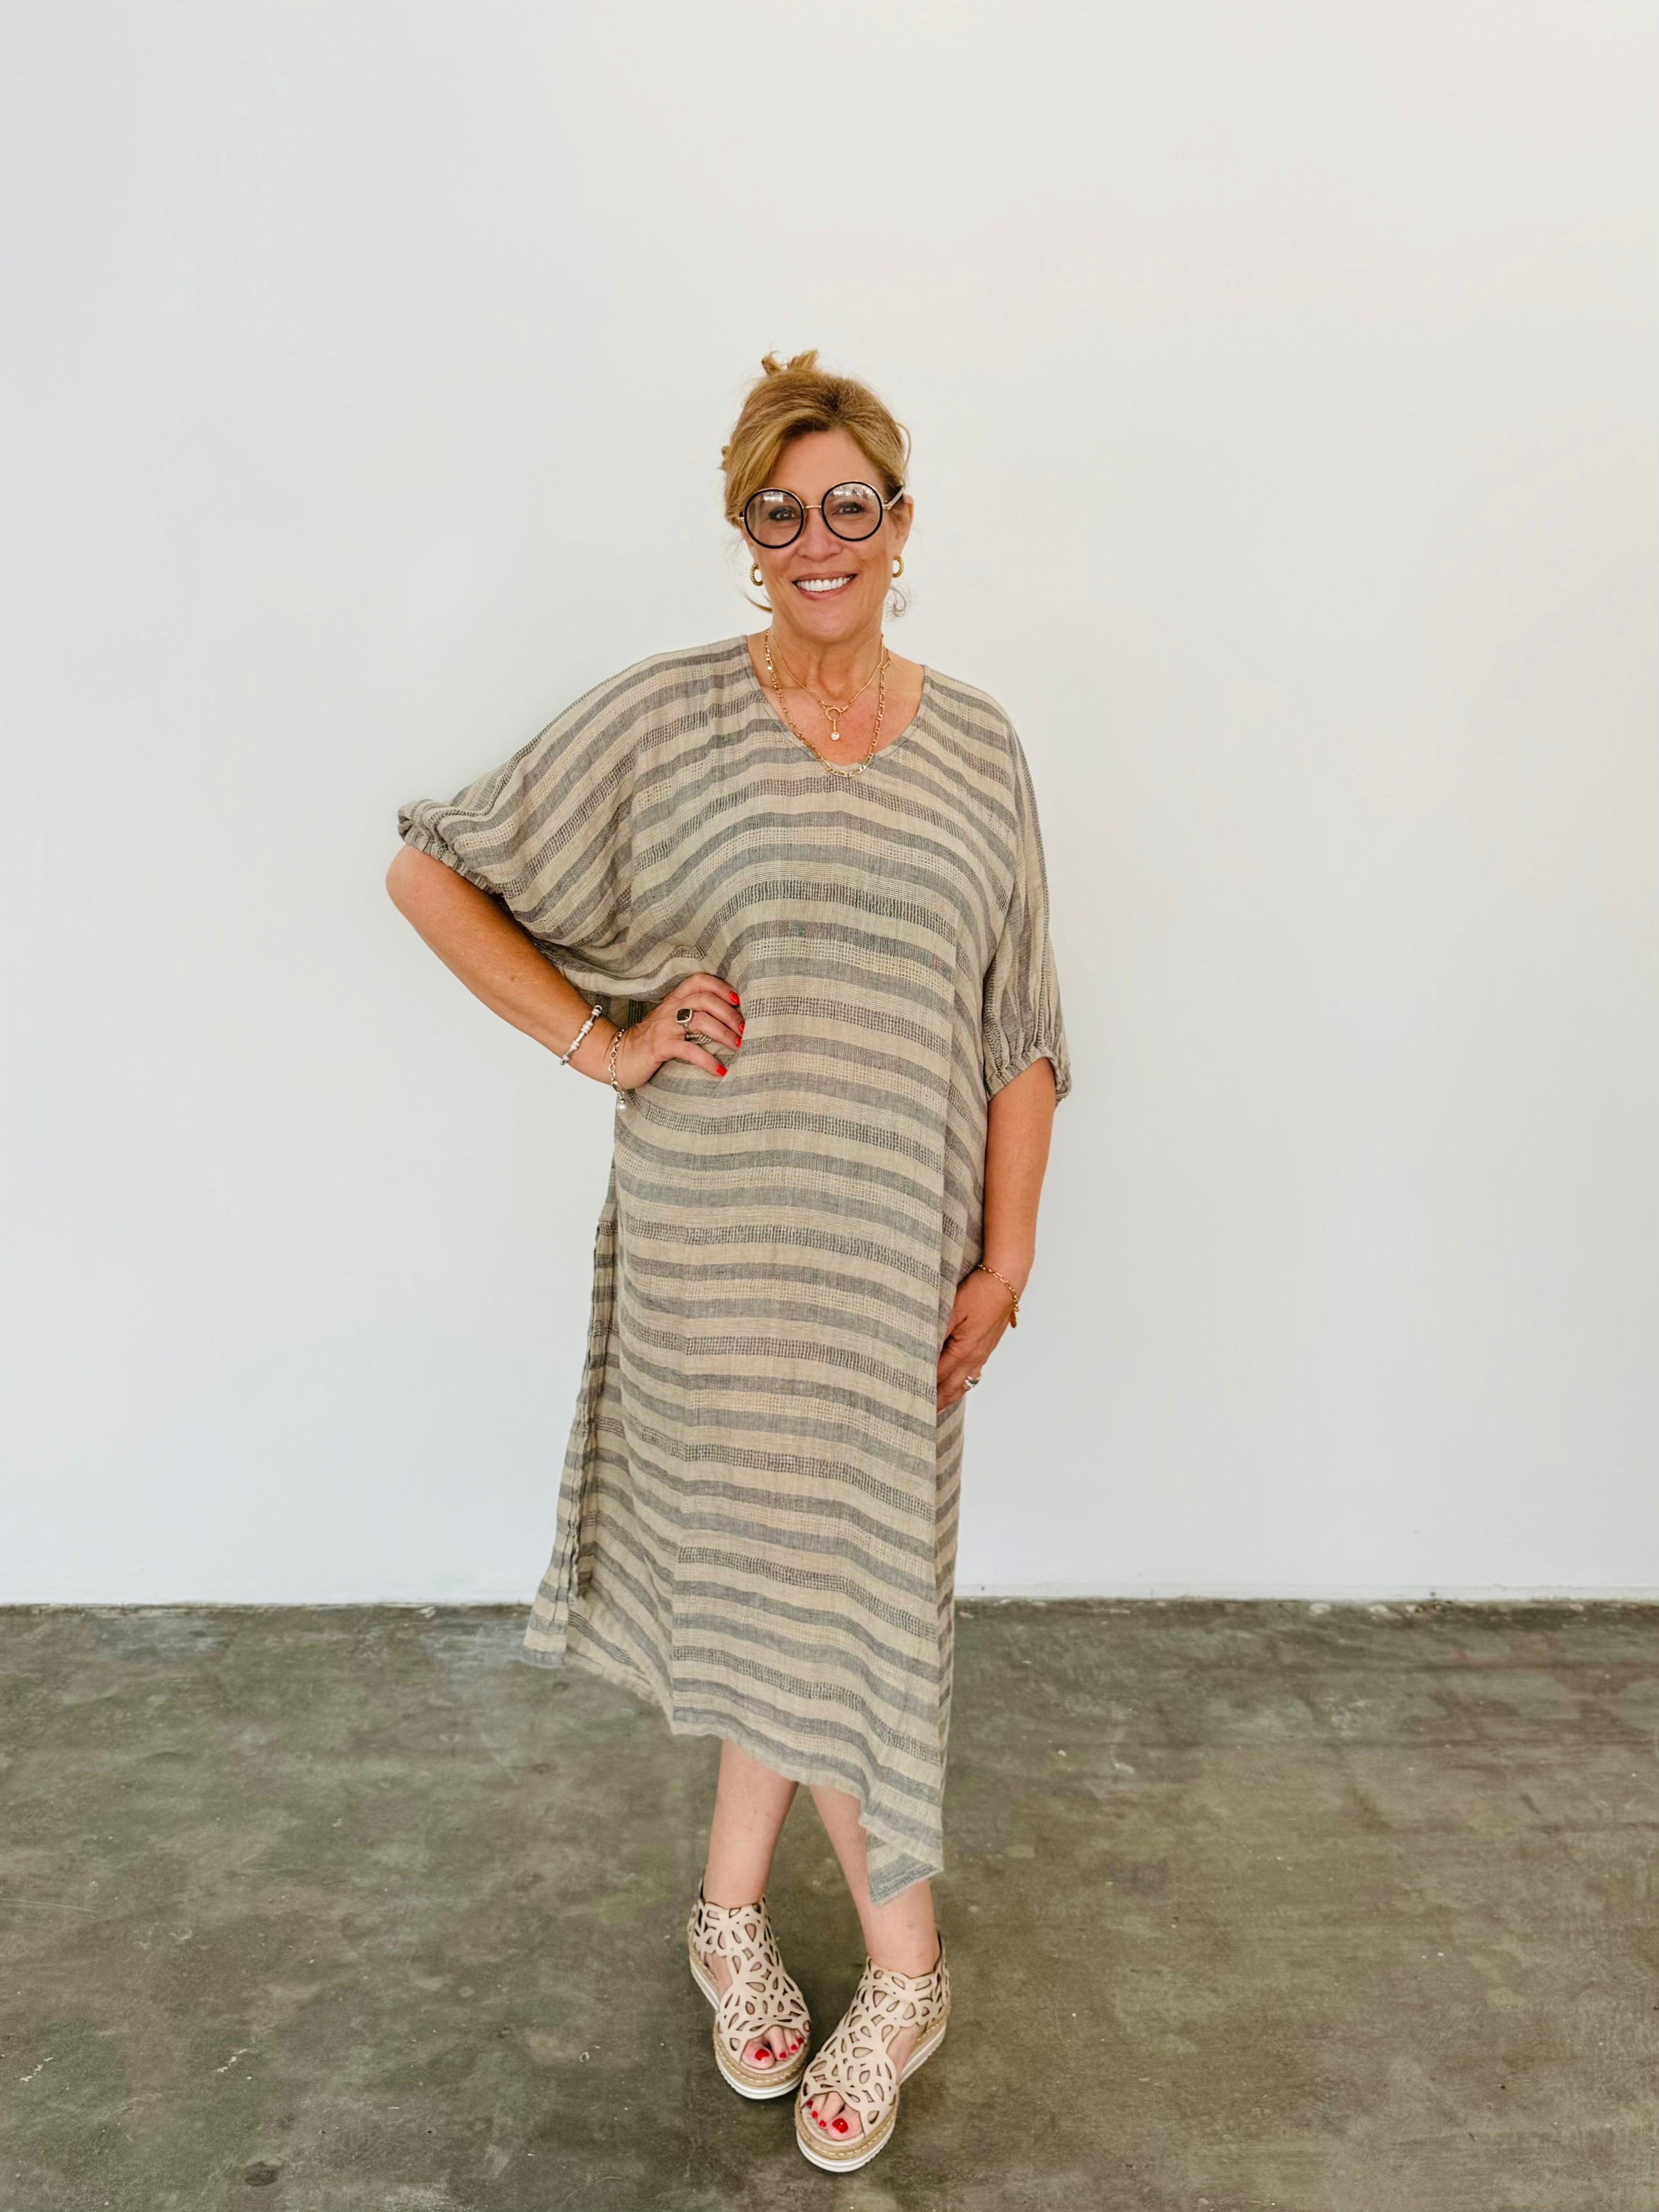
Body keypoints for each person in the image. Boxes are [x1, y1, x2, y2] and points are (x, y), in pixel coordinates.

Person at [386, 350, 1071, 2173]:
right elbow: (433, 872)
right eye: (782, 511)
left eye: (850, 506)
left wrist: (1005, 1263)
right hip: (719, 1254)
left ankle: (727, 1909)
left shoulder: (980, 745)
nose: (818, 539)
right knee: (806, 1592)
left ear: (901, 526)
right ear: (746, 537)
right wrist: (601, 1040)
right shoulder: (675, 719)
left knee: (825, 1592)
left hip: (895, 1274)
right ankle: (906, 1967)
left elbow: (1019, 1029)